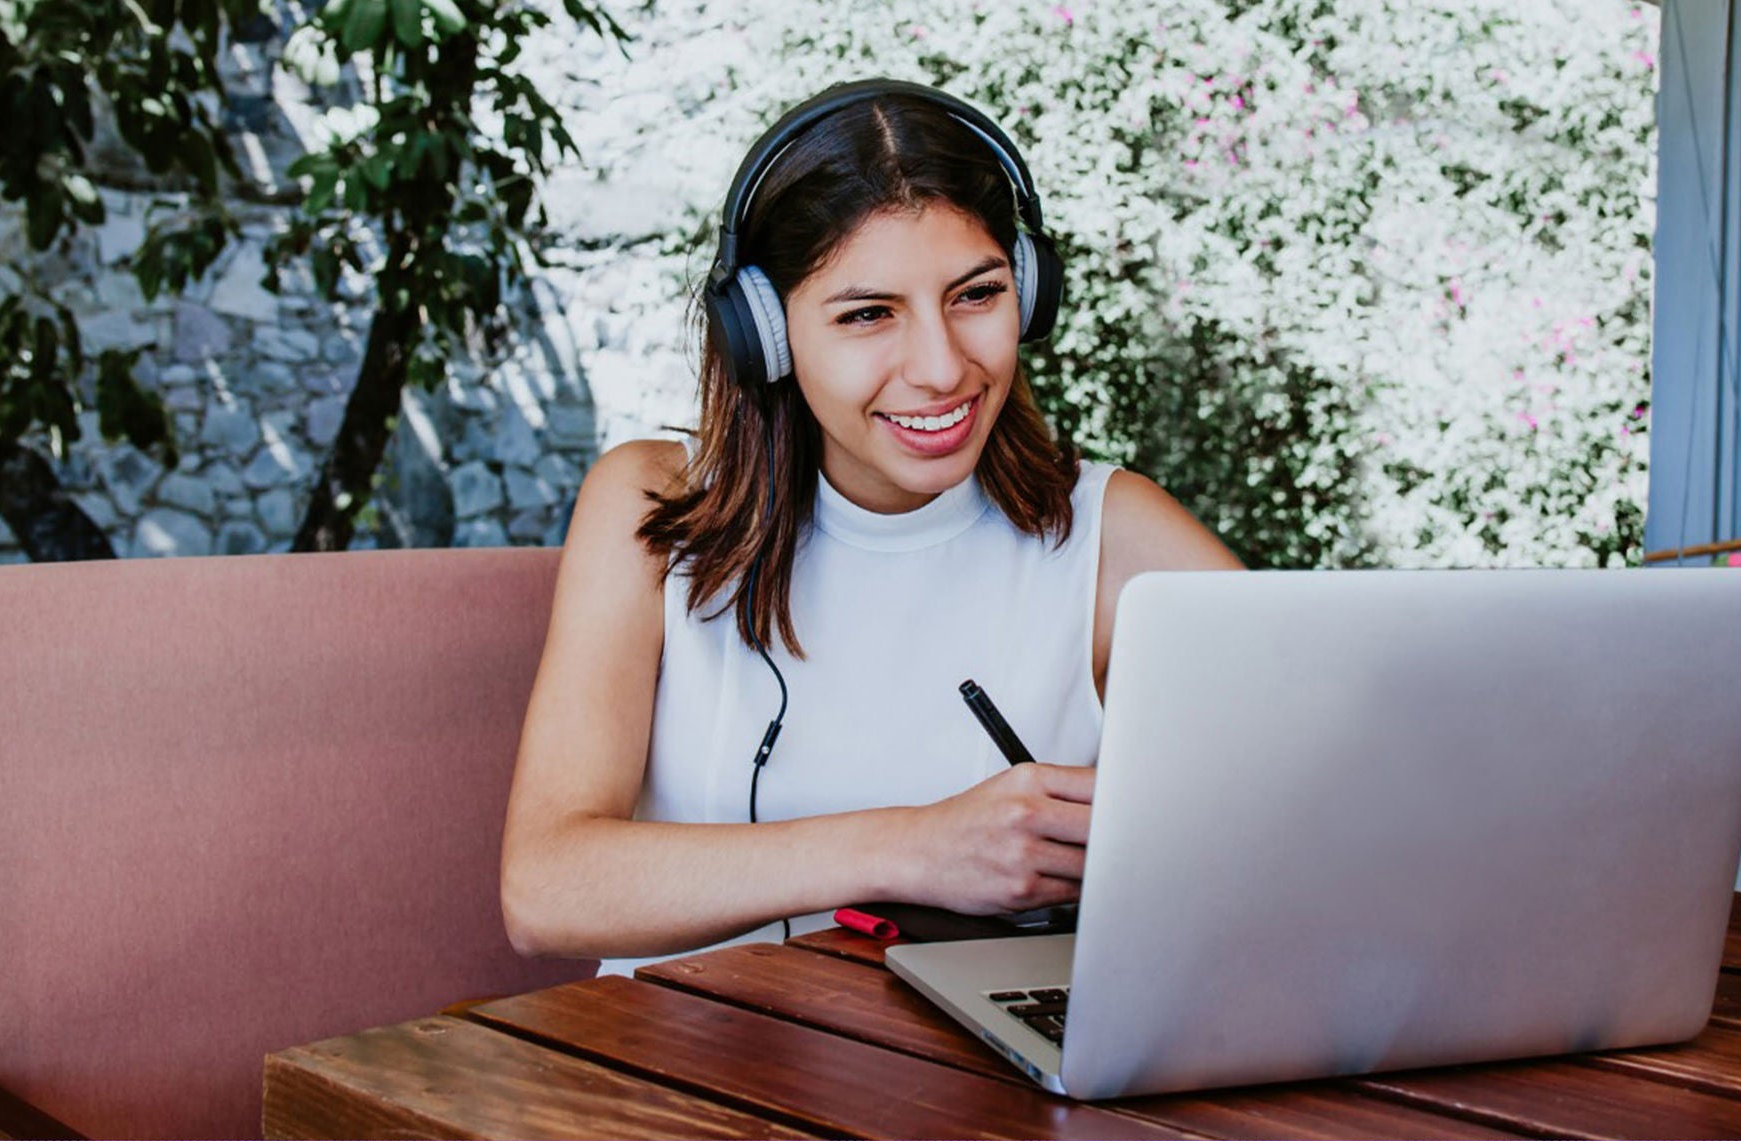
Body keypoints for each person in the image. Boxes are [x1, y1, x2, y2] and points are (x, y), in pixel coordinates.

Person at [501, 78, 1243, 974]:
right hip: (685, 1083)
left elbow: (1339, 799)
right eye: (867, 314)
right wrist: (913, 848)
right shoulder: (649, 510)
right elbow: (544, 890)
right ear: (766, 334)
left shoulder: (1113, 535)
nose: (940, 368)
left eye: (976, 294)